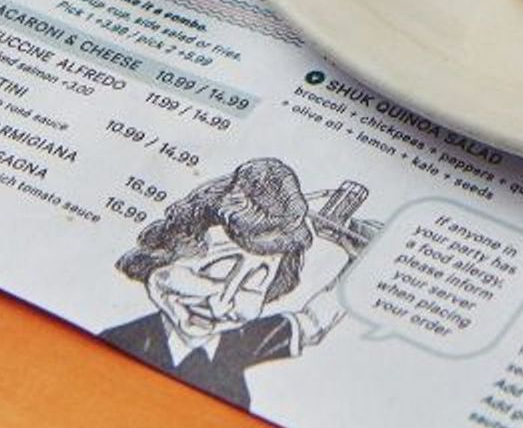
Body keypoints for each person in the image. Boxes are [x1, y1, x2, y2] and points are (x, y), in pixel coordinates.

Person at [101, 156, 361, 410]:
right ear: (165, 255)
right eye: (212, 273)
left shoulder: (237, 342)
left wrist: (363, 265)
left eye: (253, 285)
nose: (221, 303)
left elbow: (312, 324)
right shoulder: (119, 342)